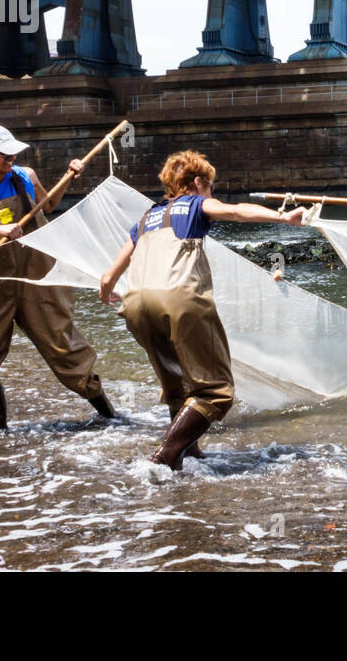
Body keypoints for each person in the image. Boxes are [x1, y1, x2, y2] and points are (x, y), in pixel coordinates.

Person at [99, 150, 306, 470]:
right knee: (215, 391)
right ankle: (164, 458)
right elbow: (236, 212)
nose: (211, 192)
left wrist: (106, 288)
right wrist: (283, 217)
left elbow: (109, 276)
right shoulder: (195, 204)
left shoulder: (147, 217)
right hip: (178, 299)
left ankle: (187, 455)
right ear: (197, 182)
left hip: (135, 305)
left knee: (178, 386)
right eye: (209, 186)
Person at [0, 123, 116, 430]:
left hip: (38, 282)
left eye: (12, 152)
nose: (11, 157)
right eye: (3, 153)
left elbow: (49, 205)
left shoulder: (25, 177)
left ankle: (111, 417)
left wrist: (70, 176)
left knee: (67, 352)